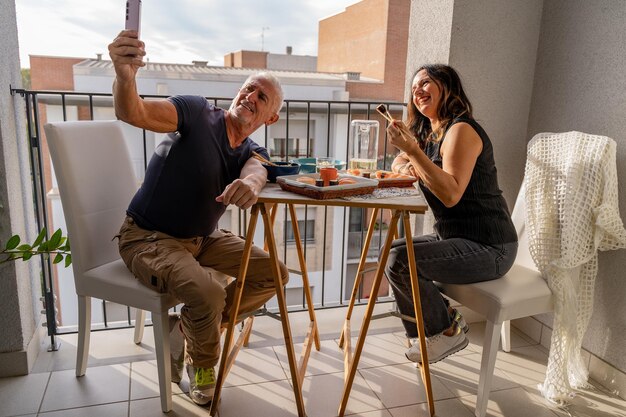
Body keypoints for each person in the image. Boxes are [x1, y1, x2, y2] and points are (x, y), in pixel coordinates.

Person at [108, 30, 289, 406]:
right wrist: (125, 77)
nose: (250, 98)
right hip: (147, 237)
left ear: (271, 116)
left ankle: (192, 328)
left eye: (262, 97)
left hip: (202, 239)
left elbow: (257, 170)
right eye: (249, 89)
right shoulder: (196, 112)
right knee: (208, 292)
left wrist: (252, 184)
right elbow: (134, 111)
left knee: (275, 274)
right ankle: (202, 366)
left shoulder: (253, 150)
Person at [384, 64, 518, 364]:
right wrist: (409, 160)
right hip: (457, 237)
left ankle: (446, 331)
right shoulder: (430, 133)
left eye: (426, 82)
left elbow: (451, 193)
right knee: (390, 252)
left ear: (448, 87)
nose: (417, 90)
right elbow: (398, 162)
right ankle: (429, 332)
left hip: (490, 247)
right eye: (414, 86)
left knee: (400, 260)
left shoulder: (461, 130)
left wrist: (414, 155)